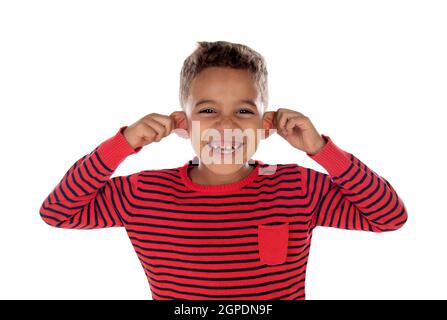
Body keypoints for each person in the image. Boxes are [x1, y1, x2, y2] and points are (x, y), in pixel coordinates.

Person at [40, 40, 408, 300]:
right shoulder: (142, 193)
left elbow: (388, 217)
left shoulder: (298, 186)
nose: (227, 125)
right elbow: (58, 212)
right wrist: (123, 143)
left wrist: (321, 150)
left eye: (244, 111)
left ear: (267, 124)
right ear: (182, 123)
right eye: (208, 110)